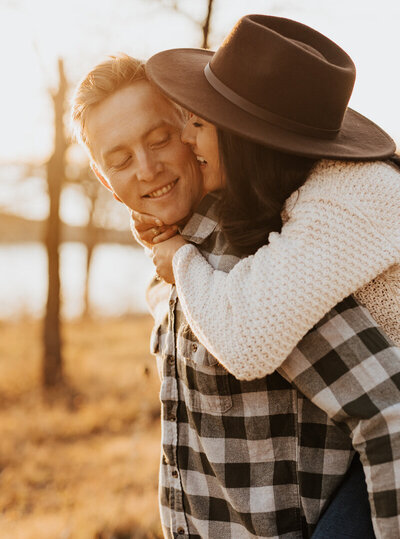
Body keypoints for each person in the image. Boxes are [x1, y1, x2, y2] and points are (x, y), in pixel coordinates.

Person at [70, 42, 399, 539]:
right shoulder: (177, 262)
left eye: (160, 139)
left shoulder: (265, 261)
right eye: (120, 159)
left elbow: (390, 414)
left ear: (190, 127)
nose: (146, 169)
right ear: (102, 177)